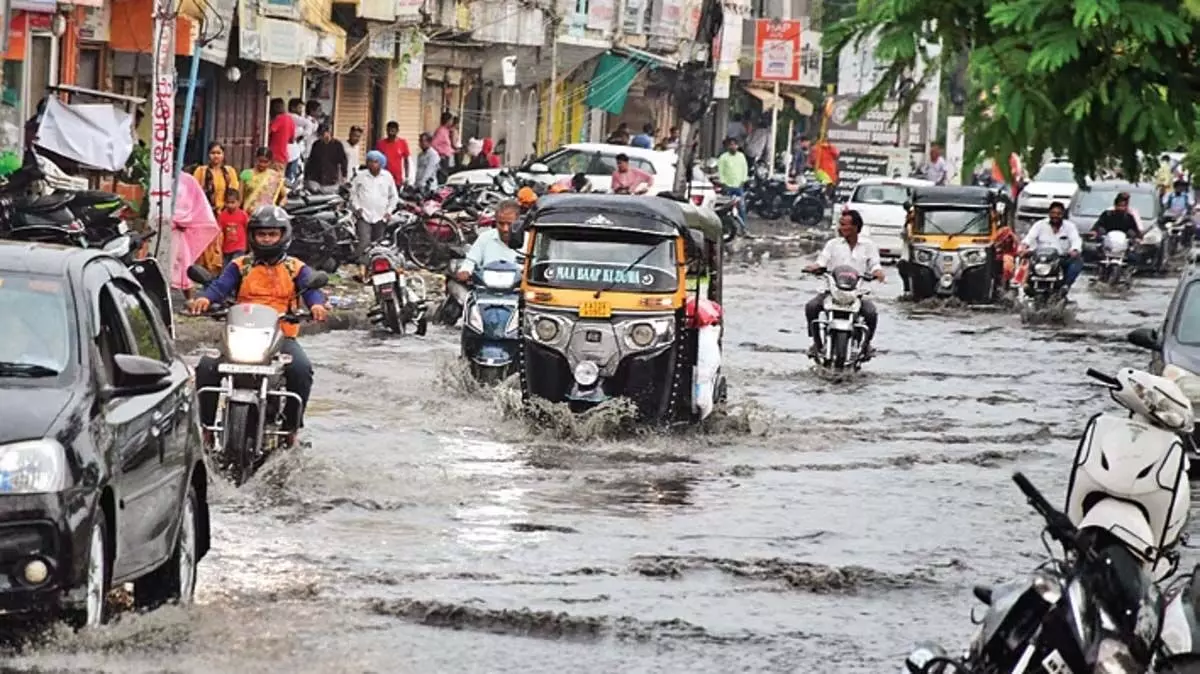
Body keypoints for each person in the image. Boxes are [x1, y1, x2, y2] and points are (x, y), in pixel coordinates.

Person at [187, 206, 329, 446]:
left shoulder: (295, 267)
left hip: (281, 337)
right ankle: (207, 428)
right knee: (206, 367)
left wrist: (317, 306)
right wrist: (204, 299)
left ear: (283, 235)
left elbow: (312, 288)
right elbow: (219, 286)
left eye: (272, 234)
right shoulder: (240, 265)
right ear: (252, 236)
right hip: (239, 335)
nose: (266, 239)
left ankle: (291, 429)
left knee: (301, 370)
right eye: (261, 234)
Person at [803, 209, 884, 358]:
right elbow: (821, 261)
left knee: (871, 313)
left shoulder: (869, 245)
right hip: (832, 291)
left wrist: (877, 272)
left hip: (857, 294)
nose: (841, 228)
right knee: (811, 307)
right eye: (840, 224)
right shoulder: (832, 244)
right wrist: (814, 268)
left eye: (844, 225)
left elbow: (875, 264)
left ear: (855, 227)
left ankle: (866, 345)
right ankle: (816, 343)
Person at [192, 142, 241, 275]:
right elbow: (196, 192)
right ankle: (205, 272)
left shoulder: (229, 171)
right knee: (206, 243)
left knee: (223, 243)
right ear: (208, 155)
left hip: (225, 213)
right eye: (213, 153)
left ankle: (219, 272)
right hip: (206, 213)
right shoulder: (201, 171)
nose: (216, 156)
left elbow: (234, 191)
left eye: (218, 153)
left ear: (223, 155)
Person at [1019, 201, 1083, 293]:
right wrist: (1023, 247)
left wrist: (1075, 250)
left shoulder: (1070, 227)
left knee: (1078, 262)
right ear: (1049, 213)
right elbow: (1029, 238)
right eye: (1053, 213)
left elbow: (1076, 240)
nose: (1055, 216)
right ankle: (1025, 285)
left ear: (1063, 214)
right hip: (1040, 258)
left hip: (1060, 259)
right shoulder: (1039, 225)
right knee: (1024, 261)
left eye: (1058, 214)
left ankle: (1066, 285)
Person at [350, 150, 400, 268]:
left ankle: (371, 265)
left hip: (380, 216)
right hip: (364, 214)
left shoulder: (387, 177)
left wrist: (389, 211)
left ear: (381, 163)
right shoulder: (360, 176)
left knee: (377, 244)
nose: (372, 164)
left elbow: (394, 196)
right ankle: (355, 260)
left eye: (375, 162)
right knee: (364, 241)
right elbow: (353, 194)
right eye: (370, 161)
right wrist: (357, 208)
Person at [456, 200, 521, 283]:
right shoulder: (485, 237)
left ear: (518, 223)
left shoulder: (530, 241)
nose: (505, 229)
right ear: (495, 222)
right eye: (501, 224)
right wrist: (465, 271)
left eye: (510, 224)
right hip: (486, 290)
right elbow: (471, 261)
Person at [304, 122, 348, 194]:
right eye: (320, 135)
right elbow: (311, 161)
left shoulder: (337, 145)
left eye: (323, 134)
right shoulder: (316, 144)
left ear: (328, 133)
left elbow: (343, 161)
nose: (321, 137)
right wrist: (306, 177)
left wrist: (344, 175)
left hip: (331, 179)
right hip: (316, 179)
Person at [218, 188, 250, 265]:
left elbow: (248, 229)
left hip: (239, 247)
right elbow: (219, 232)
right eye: (228, 202)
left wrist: (249, 245)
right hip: (226, 248)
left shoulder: (243, 215)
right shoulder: (222, 216)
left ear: (238, 202)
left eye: (233, 202)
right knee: (226, 269)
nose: (230, 205)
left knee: (235, 266)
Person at [286, 98, 314, 182]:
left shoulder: (295, 118)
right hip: (291, 148)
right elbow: (309, 124)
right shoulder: (292, 116)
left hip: (295, 149)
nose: (301, 110)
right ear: (293, 108)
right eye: (299, 108)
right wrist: (303, 136)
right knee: (291, 174)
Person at [376, 121, 411, 187]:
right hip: (383, 178)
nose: (390, 133)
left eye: (393, 131)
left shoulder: (402, 143)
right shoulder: (380, 144)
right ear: (386, 130)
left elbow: (406, 161)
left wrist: (407, 177)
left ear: (397, 131)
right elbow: (376, 161)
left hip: (397, 180)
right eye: (389, 130)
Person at [267, 98, 295, 175]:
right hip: (283, 156)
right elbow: (291, 140)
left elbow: (268, 132)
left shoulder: (278, 119)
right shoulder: (290, 119)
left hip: (274, 156)